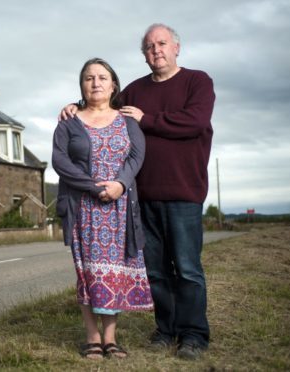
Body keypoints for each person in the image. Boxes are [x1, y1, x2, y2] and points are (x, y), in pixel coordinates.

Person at [59, 24, 215, 360]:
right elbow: (103, 103)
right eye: (148, 46)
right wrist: (72, 106)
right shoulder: (134, 89)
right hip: (141, 195)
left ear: (176, 47)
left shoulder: (197, 81)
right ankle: (166, 329)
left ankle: (194, 334)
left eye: (161, 44)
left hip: (184, 190)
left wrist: (148, 119)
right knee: (155, 268)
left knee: (187, 268)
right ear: (143, 54)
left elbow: (196, 121)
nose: (156, 50)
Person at [52, 58, 153, 360]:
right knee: (89, 273)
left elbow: (137, 156)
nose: (96, 82)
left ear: (113, 85)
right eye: (89, 78)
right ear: (81, 85)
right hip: (83, 207)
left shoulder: (128, 121)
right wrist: (93, 186)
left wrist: (120, 184)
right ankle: (92, 337)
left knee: (115, 273)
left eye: (102, 77)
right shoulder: (69, 122)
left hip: (120, 209)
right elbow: (60, 161)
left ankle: (111, 338)